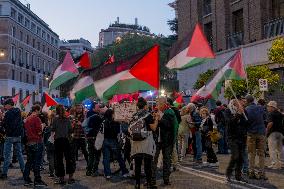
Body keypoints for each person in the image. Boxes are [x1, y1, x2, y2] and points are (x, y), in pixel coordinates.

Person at [129, 97, 158, 189]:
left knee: (137, 164)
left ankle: (137, 184)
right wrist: (156, 119)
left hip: (135, 141)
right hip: (146, 141)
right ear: (145, 106)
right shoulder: (147, 115)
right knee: (147, 164)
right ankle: (149, 184)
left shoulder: (134, 115)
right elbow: (153, 128)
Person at [152, 97, 178, 186]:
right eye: (156, 103)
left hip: (167, 140)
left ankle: (166, 179)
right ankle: (151, 181)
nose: (156, 104)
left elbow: (170, 126)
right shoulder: (156, 112)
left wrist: (160, 120)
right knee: (153, 160)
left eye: (158, 103)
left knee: (167, 160)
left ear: (163, 103)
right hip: (157, 140)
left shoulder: (169, 112)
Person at [0, 99, 25, 179]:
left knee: (7, 155)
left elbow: (3, 124)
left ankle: (4, 173)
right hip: (17, 136)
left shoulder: (8, 113)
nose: (5, 106)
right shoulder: (18, 112)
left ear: (9, 105)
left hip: (9, 136)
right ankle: (24, 171)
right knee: (19, 154)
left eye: (5, 105)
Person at [23, 105, 47, 186]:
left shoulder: (27, 118)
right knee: (37, 162)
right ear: (36, 110)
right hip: (36, 141)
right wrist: (43, 127)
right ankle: (37, 180)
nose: (40, 112)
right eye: (39, 110)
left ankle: (26, 179)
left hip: (29, 142)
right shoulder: (36, 118)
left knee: (29, 162)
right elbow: (39, 132)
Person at [51, 105, 75, 184]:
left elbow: (53, 129)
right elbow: (71, 131)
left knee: (59, 160)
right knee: (69, 159)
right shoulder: (67, 119)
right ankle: (70, 178)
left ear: (57, 111)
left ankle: (61, 178)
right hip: (66, 140)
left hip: (58, 141)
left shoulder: (55, 119)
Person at [245, 95, 267, 180]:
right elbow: (264, 119)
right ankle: (261, 173)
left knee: (251, 154)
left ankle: (251, 172)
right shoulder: (260, 108)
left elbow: (246, 122)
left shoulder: (246, 110)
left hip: (251, 133)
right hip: (261, 133)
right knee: (261, 154)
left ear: (247, 101)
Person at [102, 109, 129, 179]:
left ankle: (107, 174)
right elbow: (119, 132)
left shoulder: (104, 121)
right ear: (111, 114)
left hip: (105, 141)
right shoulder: (115, 122)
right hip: (113, 141)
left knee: (106, 158)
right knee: (119, 157)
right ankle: (124, 172)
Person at [226, 99, 248, 182]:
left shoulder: (243, 111)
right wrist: (238, 114)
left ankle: (238, 175)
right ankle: (228, 173)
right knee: (235, 156)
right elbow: (230, 123)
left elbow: (246, 123)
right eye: (237, 102)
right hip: (232, 137)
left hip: (242, 137)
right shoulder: (228, 111)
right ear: (233, 103)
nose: (240, 103)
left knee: (241, 158)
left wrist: (243, 116)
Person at [85, 103, 103, 177]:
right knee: (97, 155)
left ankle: (88, 171)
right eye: (98, 107)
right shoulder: (97, 117)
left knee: (91, 155)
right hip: (95, 138)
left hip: (89, 137)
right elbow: (100, 127)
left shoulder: (88, 115)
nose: (99, 108)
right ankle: (94, 171)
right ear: (93, 108)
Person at [266, 101, 284, 169]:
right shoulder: (280, 113)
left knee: (272, 149)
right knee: (280, 149)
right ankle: (282, 163)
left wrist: (266, 130)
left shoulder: (271, 114)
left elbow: (270, 123)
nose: (267, 107)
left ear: (272, 107)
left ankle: (274, 164)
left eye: (268, 106)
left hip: (272, 133)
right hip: (280, 132)